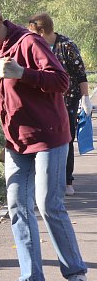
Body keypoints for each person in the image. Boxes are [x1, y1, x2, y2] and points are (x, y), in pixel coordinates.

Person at [0, 0, 87, 281]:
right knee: (17, 207)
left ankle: (76, 275)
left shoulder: (29, 43)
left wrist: (22, 73)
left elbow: (61, 81)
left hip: (49, 136)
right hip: (16, 142)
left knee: (48, 203)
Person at [27, 13, 92, 196]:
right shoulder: (32, 46)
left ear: (41, 31)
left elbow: (80, 74)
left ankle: (66, 179)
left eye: (32, 31)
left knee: (66, 139)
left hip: (67, 101)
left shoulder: (66, 46)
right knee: (41, 140)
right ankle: (42, 179)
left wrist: (85, 98)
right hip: (41, 102)